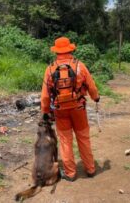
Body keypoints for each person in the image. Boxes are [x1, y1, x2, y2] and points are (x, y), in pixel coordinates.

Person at [40, 37, 100, 181]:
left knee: (65, 141)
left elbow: (45, 96)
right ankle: (90, 169)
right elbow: (91, 86)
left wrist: (45, 112)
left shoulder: (50, 69)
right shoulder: (80, 66)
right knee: (83, 138)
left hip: (60, 111)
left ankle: (70, 173)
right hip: (79, 108)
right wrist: (95, 97)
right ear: (70, 49)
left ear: (56, 51)